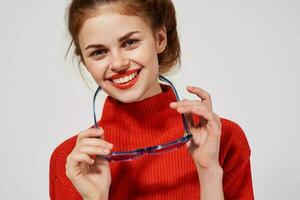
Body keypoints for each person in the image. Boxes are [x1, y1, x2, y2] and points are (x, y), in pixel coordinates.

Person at [49, 0, 254, 199]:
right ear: (85, 62)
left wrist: (209, 172)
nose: (118, 63)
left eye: (130, 42)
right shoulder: (71, 162)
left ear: (160, 39)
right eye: (99, 52)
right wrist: (96, 198)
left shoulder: (223, 138)